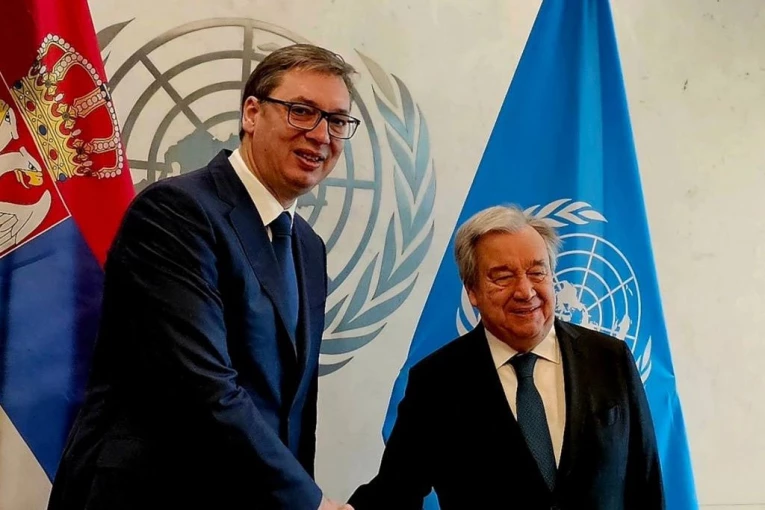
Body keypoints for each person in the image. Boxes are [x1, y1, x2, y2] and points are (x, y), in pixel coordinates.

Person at [47, 44, 359, 510]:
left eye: (337, 121)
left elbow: (289, 413)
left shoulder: (307, 246)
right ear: (251, 113)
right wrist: (309, 502)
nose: (321, 135)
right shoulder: (176, 211)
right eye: (301, 111)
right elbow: (201, 385)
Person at [348, 205, 665, 509]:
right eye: (503, 277)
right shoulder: (436, 382)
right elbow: (396, 492)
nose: (525, 291)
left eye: (537, 272)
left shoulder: (611, 358)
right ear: (472, 291)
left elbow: (645, 482)